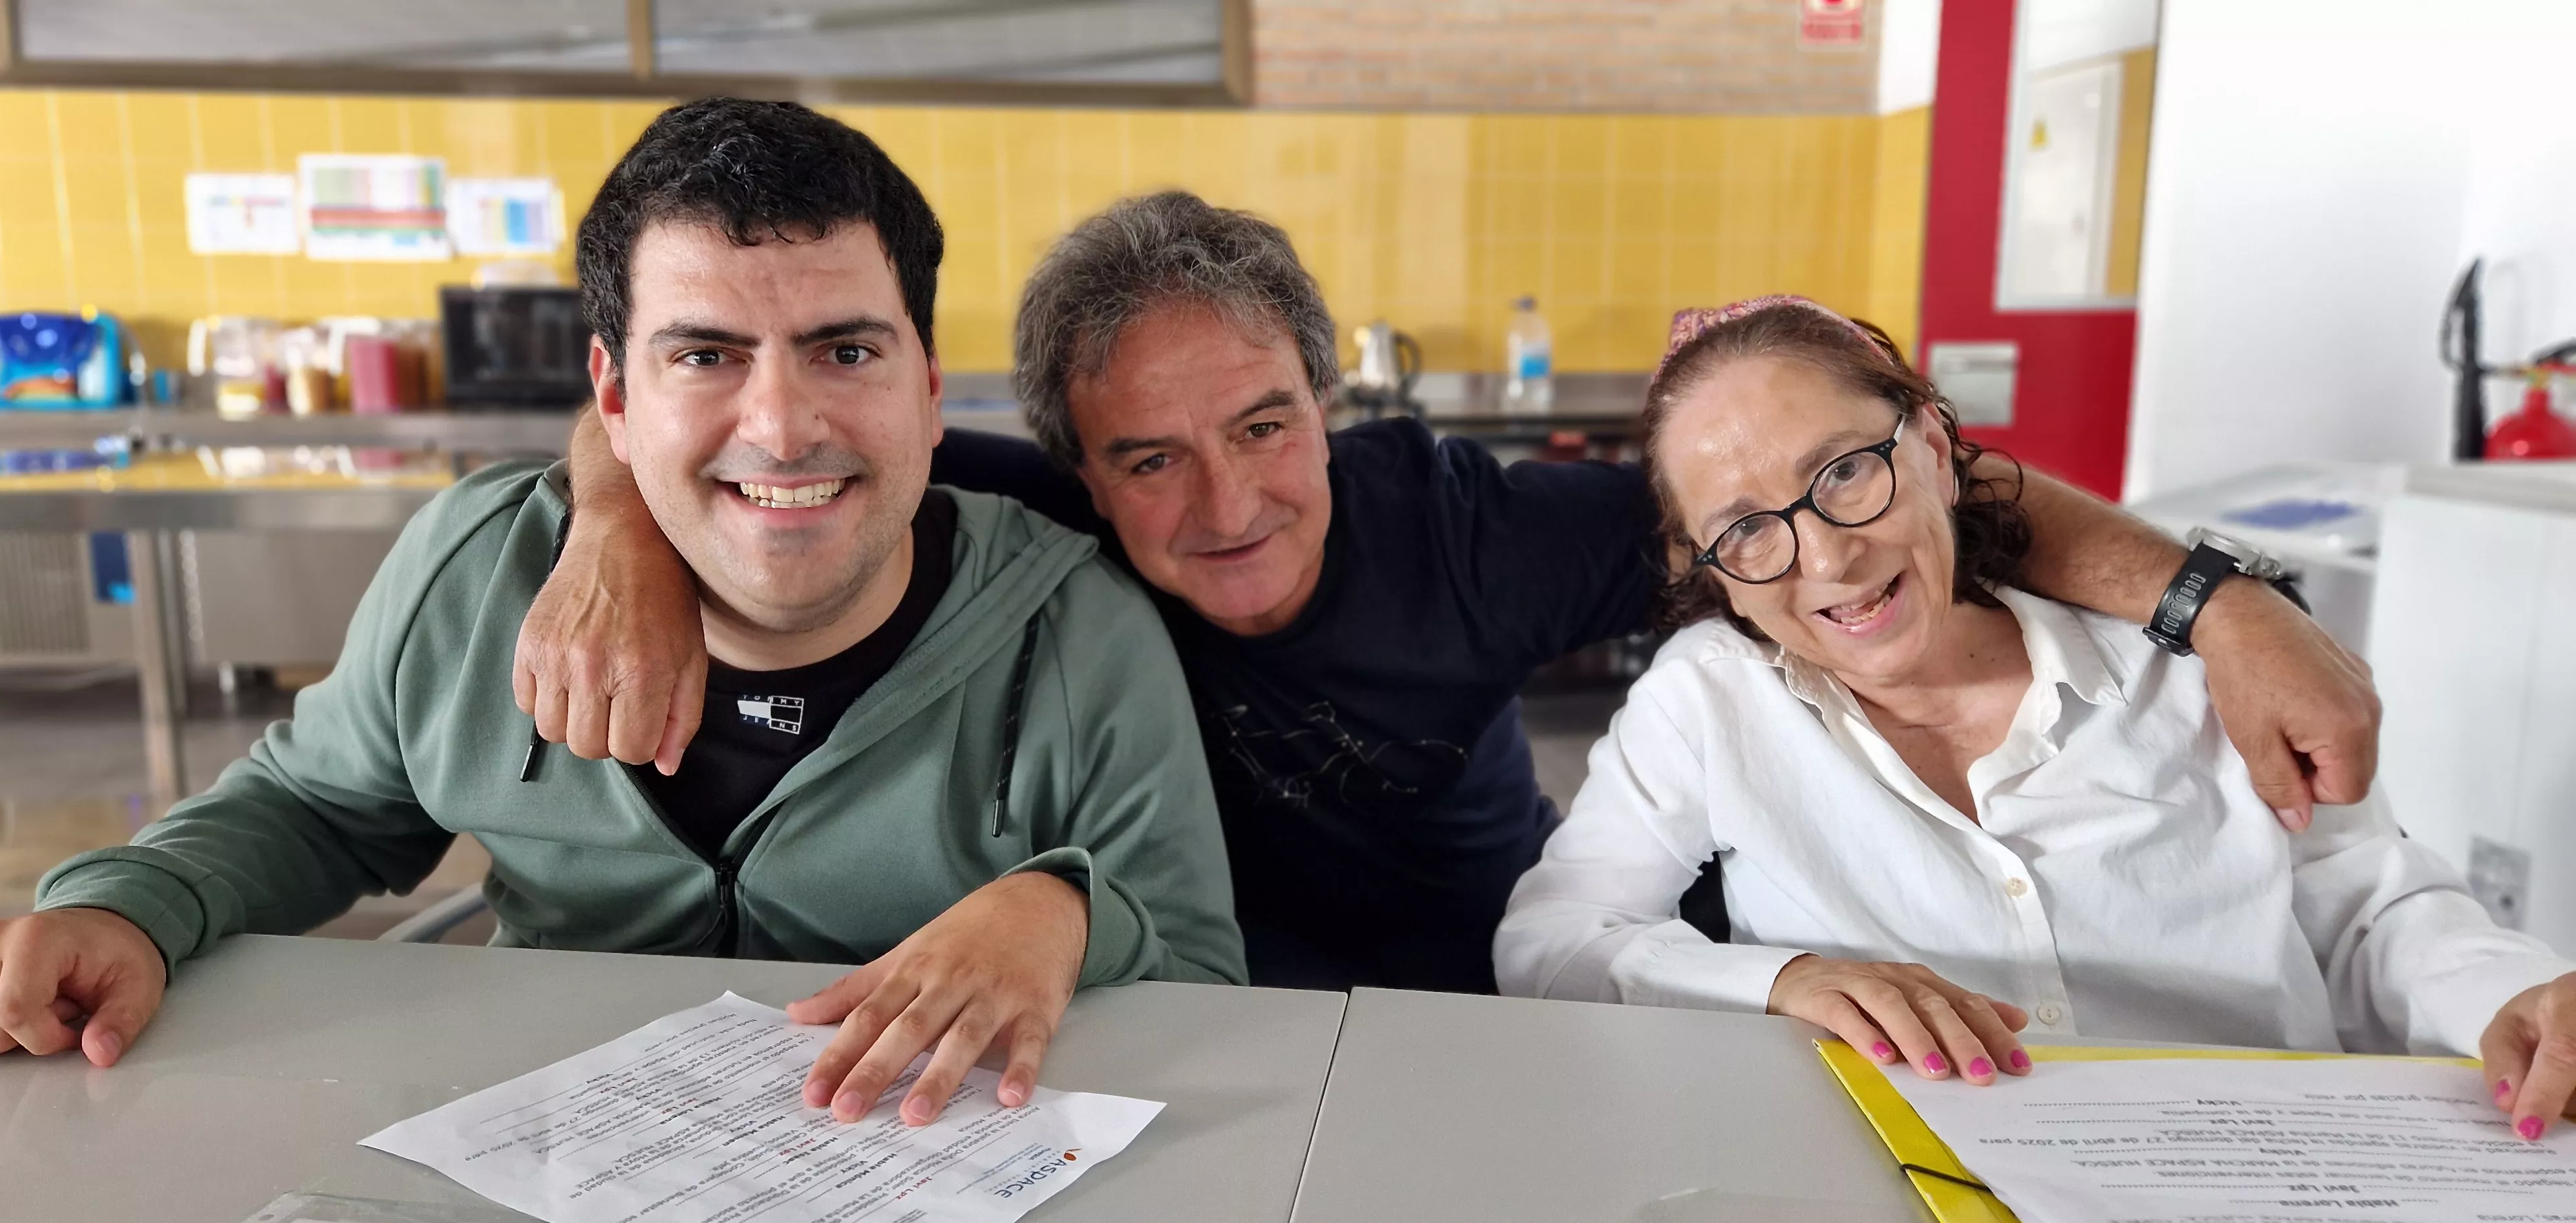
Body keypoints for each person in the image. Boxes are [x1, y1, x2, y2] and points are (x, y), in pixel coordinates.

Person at [517, 191, 2381, 994]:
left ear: (1333, 404)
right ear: (1072, 471)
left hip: (1490, 996)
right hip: (1163, 1000)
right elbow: (739, 438)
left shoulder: (1474, 527)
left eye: (1264, 426)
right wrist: (614, 522)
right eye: (1151, 461)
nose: (1225, 502)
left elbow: (1885, 489)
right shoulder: (1006, 510)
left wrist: (2225, 607)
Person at [0, 100, 1244, 1132]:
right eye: (705, 356)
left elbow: (1199, 971)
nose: (783, 427)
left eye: (845, 350)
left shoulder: (1073, 630)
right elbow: (315, 804)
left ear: (926, 380)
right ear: (612, 396)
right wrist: (127, 906)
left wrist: (1059, 908)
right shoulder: (474, 574)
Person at [1493, 296, 2576, 1137]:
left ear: (1930, 444)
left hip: (2251, 1166)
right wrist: (1781, 980)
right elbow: (1554, 940)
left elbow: (2373, 911)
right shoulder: (1708, 698)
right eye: (1746, 530)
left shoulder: (2190, 669)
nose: (1825, 557)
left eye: (1846, 474)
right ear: (1709, 566)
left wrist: (2513, 994)